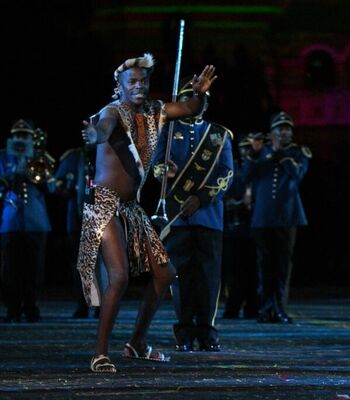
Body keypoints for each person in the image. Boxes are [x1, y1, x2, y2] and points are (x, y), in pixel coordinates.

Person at [79, 53, 217, 373]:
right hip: (103, 204)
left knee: (166, 274)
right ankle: (100, 353)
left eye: (143, 81)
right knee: (120, 276)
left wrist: (199, 92)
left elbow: (190, 109)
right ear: (120, 86)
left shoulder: (156, 111)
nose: (139, 86)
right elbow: (102, 130)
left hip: (131, 207)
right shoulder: (112, 112)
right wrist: (94, 134)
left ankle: (137, 343)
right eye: (133, 82)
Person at [153, 85, 233, 352]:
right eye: (189, 98)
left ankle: (207, 330)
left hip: (208, 216)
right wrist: (163, 170)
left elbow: (226, 175)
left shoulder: (219, 135)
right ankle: (184, 330)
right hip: (177, 218)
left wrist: (200, 198)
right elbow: (154, 166)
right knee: (180, 278)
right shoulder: (169, 130)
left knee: (209, 277)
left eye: (201, 98)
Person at [241, 112, 310, 323]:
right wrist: (254, 153)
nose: (284, 132)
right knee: (264, 265)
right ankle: (265, 308)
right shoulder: (261, 153)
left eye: (287, 128)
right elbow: (245, 177)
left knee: (282, 266)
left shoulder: (298, 153)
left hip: (287, 216)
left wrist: (280, 153)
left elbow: (296, 175)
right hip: (263, 217)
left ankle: (279, 308)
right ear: (272, 133)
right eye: (279, 129)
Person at [0, 120, 54, 323]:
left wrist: (37, 170)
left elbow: (52, 189)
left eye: (26, 136)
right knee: (10, 269)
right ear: (11, 138)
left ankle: (31, 306)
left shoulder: (41, 158)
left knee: (35, 268)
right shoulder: (3, 157)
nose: (21, 139)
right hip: (10, 221)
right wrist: (12, 172)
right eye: (18, 136)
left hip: (36, 221)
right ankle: (12, 308)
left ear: (32, 139)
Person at [54, 144, 98, 318]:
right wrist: (65, 187)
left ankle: (100, 304)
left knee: (99, 264)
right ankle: (84, 304)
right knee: (81, 264)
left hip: (100, 216)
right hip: (77, 217)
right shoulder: (72, 156)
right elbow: (57, 182)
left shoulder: (105, 152)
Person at [221, 136, 258, 320]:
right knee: (234, 272)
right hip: (234, 227)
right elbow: (225, 194)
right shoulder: (232, 167)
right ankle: (232, 308)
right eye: (244, 148)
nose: (246, 152)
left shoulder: (255, 165)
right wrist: (238, 202)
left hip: (253, 227)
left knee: (253, 271)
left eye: (249, 149)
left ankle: (252, 307)